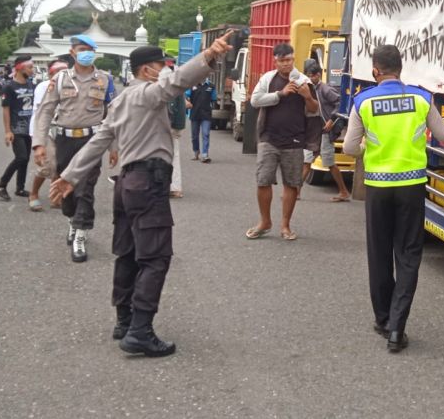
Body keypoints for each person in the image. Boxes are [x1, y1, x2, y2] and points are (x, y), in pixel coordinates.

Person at [49, 33, 234, 357]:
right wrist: (208, 56)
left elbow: (98, 142)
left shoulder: (120, 100)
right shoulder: (148, 94)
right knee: (156, 257)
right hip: (148, 183)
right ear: (149, 70)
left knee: (129, 254)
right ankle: (140, 331)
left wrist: (69, 176)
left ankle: (124, 320)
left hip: (126, 184)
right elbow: (174, 83)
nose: (165, 71)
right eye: (161, 66)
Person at [343, 45, 444, 353]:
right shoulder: (421, 98)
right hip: (412, 186)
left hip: (377, 187)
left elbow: (349, 148)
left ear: (376, 71)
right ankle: (397, 328)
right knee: (408, 255)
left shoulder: (362, 101)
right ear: (400, 69)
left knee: (379, 253)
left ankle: (383, 318)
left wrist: (369, 148)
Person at [32, 34, 117, 263]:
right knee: (66, 189)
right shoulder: (59, 79)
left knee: (85, 189)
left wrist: (114, 146)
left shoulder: (106, 79)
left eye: (90, 49)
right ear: (72, 52)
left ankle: (81, 233)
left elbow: (113, 115)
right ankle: (72, 219)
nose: (86, 53)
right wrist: (39, 143)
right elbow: (46, 112)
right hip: (65, 141)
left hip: (92, 141)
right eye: (82, 49)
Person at [246, 43, 317, 241]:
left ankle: (285, 225)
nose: (287, 64)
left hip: (295, 139)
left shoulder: (303, 80)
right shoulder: (268, 79)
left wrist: (307, 96)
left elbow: (314, 109)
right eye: (282, 61)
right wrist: (280, 94)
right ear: (275, 61)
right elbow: (255, 101)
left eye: (290, 60)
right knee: (263, 180)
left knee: (292, 184)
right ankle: (264, 221)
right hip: (269, 137)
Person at [299, 60, 349, 202]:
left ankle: (344, 191)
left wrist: (331, 120)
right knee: (307, 161)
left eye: (312, 76)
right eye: (308, 75)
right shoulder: (308, 88)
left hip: (325, 132)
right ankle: (296, 191)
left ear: (319, 75)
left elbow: (340, 102)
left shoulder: (325, 89)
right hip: (314, 131)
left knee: (329, 163)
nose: (310, 78)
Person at [27, 58, 71, 211]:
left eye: (64, 71)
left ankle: (56, 196)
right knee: (48, 165)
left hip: (63, 128)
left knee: (61, 165)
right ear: (51, 73)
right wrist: (37, 140)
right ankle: (33, 194)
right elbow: (42, 112)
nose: (61, 74)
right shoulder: (43, 86)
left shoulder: (72, 85)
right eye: (57, 71)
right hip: (46, 129)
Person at [0, 56, 38, 201]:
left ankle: (20, 187)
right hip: (16, 128)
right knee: (21, 157)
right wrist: (8, 131)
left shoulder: (32, 85)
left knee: (25, 159)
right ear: (19, 68)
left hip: (29, 129)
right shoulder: (9, 86)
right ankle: (1, 184)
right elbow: (6, 109)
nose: (32, 70)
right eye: (30, 67)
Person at [166, 60, 187, 199]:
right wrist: (179, 128)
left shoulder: (161, 85)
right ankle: (174, 187)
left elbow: (180, 109)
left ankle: (172, 187)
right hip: (171, 127)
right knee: (174, 157)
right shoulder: (178, 86)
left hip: (167, 128)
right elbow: (181, 109)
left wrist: (178, 128)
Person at [187, 77, 215, 163]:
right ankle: (196, 151)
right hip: (195, 114)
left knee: (206, 134)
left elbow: (214, 98)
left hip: (206, 114)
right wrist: (187, 101)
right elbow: (186, 95)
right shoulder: (192, 85)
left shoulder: (211, 86)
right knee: (194, 136)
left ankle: (205, 154)